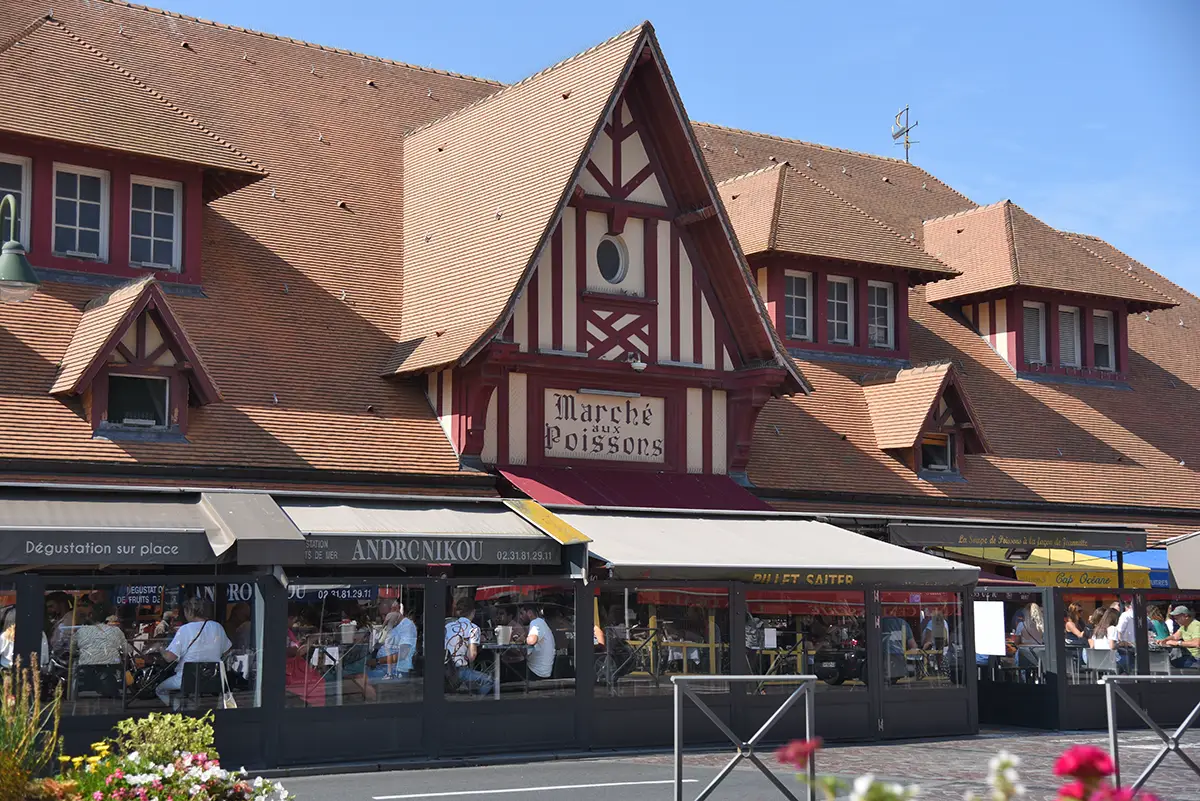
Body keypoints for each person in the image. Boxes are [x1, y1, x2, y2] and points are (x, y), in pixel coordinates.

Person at [156, 597, 232, 709]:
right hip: (213, 679)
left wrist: (160, 648)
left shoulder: (185, 629)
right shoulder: (217, 627)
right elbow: (227, 651)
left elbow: (169, 657)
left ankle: (177, 709)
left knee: (160, 689)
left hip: (187, 680)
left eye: (185, 611)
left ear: (190, 611)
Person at [444, 598, 493, 695]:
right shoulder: (473, 628)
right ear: (473, 612)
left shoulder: (447, 626)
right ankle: (477, 702)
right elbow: (471, 656)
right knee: (488, 681)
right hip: (458, 671)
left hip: (443, 669)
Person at [284, 607, 326, 707]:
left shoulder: (288, 631)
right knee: (316, 682)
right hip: (289, 669)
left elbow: (295, 647)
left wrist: (302, 643)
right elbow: (294, 652)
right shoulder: (282, 632)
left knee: (318, 679)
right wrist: (310, 641)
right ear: (289, 618)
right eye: (293, 620)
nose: (294, 624)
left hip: (295, 666)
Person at [1156, 605, 1200, 670]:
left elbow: (1196, 643)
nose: (1175, 621)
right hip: (1189, 656)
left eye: (1177, 618)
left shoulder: (1196, 625)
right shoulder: (1183, 626)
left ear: (1186, 616)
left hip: (1196, 658)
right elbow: (1175, 636)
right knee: (1168, 662)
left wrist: (1178, 643)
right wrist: (1164, 640)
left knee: (1169, 664)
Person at [520, 603, 556, 681]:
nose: (520, 617)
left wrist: (523, 639)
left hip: (536, 672)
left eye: (521, 613)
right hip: (542, 670)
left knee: (513, 666)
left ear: (529, 613)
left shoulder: (536, 622)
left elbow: (531, 641)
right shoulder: (541, 622)